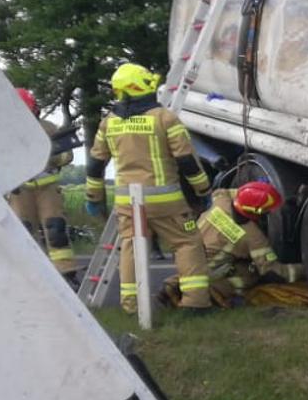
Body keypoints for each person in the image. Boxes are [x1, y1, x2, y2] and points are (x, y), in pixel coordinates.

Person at [83, 63, 212, 314]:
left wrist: (94, 197)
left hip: (128, 203)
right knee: (187, 243)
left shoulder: (108, 123)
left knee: (131, 245)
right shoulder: (165, 118)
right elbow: (187, 161)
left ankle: (132, 304)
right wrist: (203, 191)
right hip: (167, 200)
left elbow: (95, 164)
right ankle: (195, 303)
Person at [6, 88, 74, 280]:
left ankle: (66, 273)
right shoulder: (4, 131)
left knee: (56, 230)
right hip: (20, 190)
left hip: (48, 190)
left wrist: (53, 157)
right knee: (23, 233)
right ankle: (25, 276)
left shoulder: (49, 128)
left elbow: (67, 155)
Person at [199, 180, 284, 303]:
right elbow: (272, 270)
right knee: (250, 272)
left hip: (186, 257)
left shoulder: (221, 201)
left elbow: (220, 191)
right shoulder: (253, 236)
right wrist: (304, 269)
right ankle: (218, 290)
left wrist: (248, 192)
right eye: (267, 210)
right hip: (206, 272)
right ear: (256, 212)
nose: (269, 212)